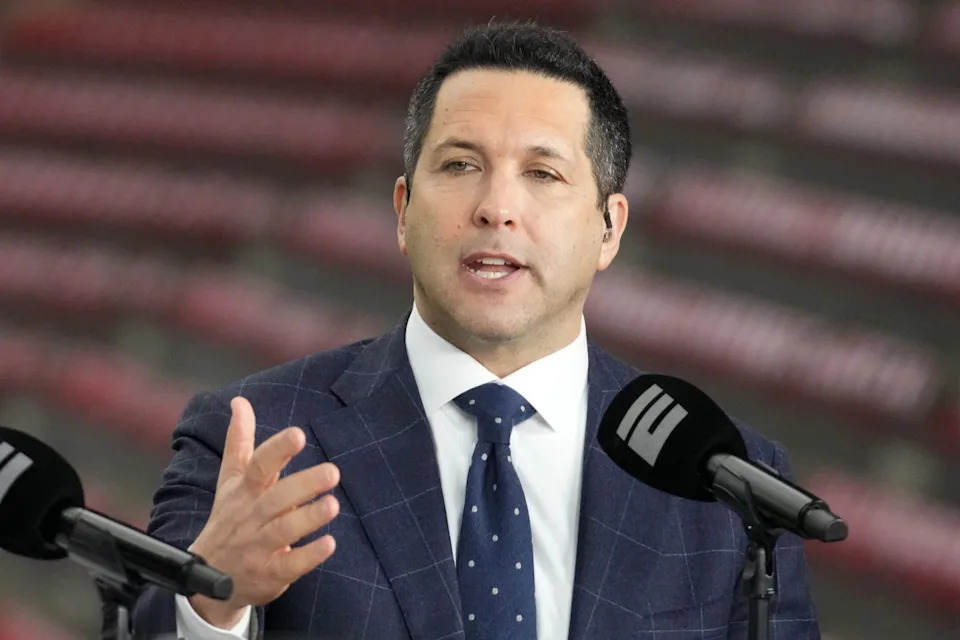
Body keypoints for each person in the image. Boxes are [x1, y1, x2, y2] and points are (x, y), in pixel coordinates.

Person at [133, 21, 820, 640]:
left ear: (609, 228)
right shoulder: (254, 437)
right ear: (402, 210)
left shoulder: (726, 487)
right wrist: (210, 606)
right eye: (460, 165)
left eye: (543, 173)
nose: (496, 208)